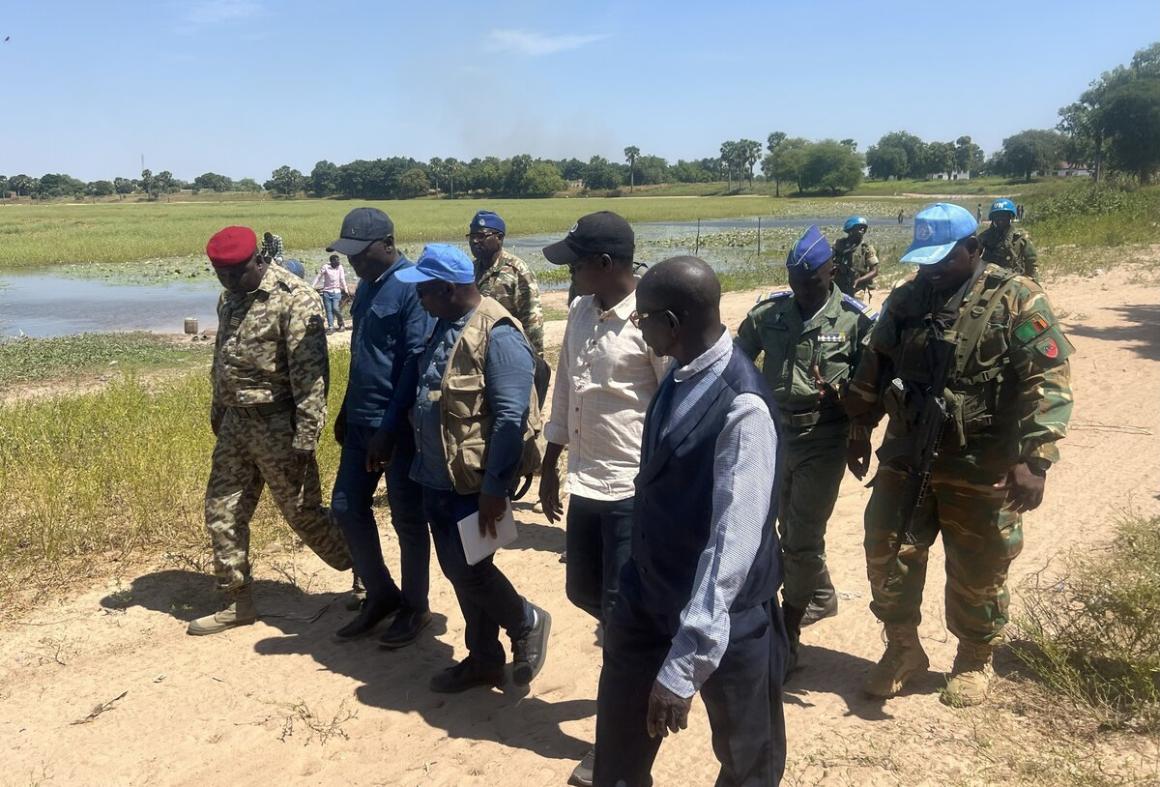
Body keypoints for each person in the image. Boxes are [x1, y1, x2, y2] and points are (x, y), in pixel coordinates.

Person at [845, 203, 1073, 707]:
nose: (931, 270)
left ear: (974, 249)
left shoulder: (1017, 298)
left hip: (983, 459)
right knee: (886, 550)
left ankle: (974, 656)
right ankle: (903, 649)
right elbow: (875, 363)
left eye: (942, 259)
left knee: (979, 563)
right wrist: (860, 424)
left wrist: (1036, 459)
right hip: (907, 453)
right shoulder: (907, 298)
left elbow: (1048, 380)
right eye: (924, 261)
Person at [594, 256, 786, 787]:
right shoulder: (679, 375)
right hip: (650, 599)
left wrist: (684, 663)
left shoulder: (743, 408)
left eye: (643, 319)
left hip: (726, 617)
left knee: (749, 761)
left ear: (672, 324)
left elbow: (732, 548)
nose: (639, 328)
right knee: (618, 752)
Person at [538, 211, 668, 787]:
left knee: (619, 623)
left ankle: (614, 750)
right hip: (585, 481)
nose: (571, 274)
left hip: (631, 490)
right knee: (581, 591)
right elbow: (567, 386)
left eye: (578, 263)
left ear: (607, 265)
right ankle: (643, 644)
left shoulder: (650, 326)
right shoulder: (579, 313)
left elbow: (674, 407)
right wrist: (549, 460)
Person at [397, 243, 551, 693]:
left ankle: (526, 621)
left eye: (424, 291)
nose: (419, 300)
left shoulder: (498, 333)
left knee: (471, 569)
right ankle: (484, 658)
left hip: (474, 482)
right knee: (461, 569)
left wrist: (495, 488)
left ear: (447, 289)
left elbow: (508, 417)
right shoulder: (446, 324)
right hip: (438, 475)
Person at [190, 226, 351, 636]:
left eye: (235, 273)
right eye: (219, 274)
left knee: (304, 516)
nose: (227, 282)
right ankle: (236, 600)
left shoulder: (295, 297)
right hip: (235, 424)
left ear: (257, 261)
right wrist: (217, 407)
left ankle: (366, 571)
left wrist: (306, 436)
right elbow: (221, 355)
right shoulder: (230, 298)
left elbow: (312, 376)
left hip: (280, 425)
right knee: (221, 510)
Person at [736, 226, 876, 673]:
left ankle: (789, 633)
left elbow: (870, 388)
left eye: (811, 282)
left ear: (831, 271)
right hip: (773, 435)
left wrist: (860, 436)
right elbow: (737, 358)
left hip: (824, 438)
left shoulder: (854, 321)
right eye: (795, 282)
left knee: (801, 538)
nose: (801, 291)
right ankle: (818, 592)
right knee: (772, 526)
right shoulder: (770, 313)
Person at [325, 208, 435, 646]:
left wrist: (388, 428)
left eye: (361, 253)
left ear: (388, 244)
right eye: (348, 254)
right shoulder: (368, 287)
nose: (354, 262)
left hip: (398, 427)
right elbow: (363, 357)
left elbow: (412, 363)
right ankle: (382, 594)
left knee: (408, 519)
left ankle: (416, 606)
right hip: (360, 420)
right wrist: (346, 410)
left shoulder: (411, 287)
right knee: (346, 507)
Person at [467, 210, 544, 356]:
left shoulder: (517, 271)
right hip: (476, 352)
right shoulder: (470, 270)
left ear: (499, 238)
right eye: (472, 236)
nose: (475, 241)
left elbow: (533, 322)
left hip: (509, 352)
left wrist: (536, 360)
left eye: (481, 236)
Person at [978, 198, 1039, 282]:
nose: (1000, 219)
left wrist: (1034, 282)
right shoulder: (984, 237)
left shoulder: (1021, 237)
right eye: (997, 216)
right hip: (989, 279)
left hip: (1014, 280)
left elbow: (1032, 263)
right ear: (993, 218)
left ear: (1010, 216)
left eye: (1004, 215)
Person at [831, 216, 879, 298]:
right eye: (860, 228)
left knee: (854, 309)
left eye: (864, 228)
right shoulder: (839, 244)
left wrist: (858, 280)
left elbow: (875, 271)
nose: (862, 230)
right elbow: (829, 260)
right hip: (839, 285)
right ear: (851, 229)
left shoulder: (866, 248)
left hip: (856, 288)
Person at [313, 254, 349, 333]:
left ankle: (341, 323)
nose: (338, 262)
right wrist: (312, 286)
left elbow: (342, 279)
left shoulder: (340, 267)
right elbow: (319, 276)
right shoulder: (325, 267)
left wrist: (346, 290)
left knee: (335, 308)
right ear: (331, 261)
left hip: (336, 292)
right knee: (328, 310)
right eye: (336, 260)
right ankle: (331, 327)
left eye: (338, 260)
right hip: (327, 292)